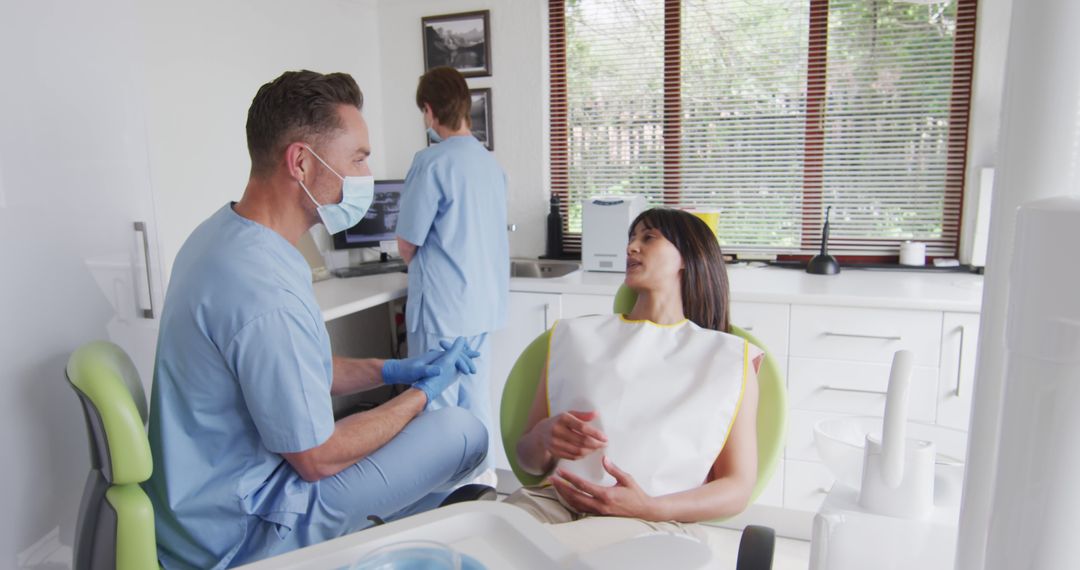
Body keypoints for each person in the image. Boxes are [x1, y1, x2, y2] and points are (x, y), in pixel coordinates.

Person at [145, 70, 489, 569]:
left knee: (418, 437)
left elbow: (298, 374)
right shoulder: (264, 291)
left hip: (196, 503)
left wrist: (392, 371)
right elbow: (317, 457)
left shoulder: (221, 237)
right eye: (359, 158)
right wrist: (422, 396)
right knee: (463, 433)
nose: (366, 174)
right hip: (243, 527)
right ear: (302, 162)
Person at [505, 208, 763, 552]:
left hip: (654, 523)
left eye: (648, 238)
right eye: (631, 238)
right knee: (481, 541)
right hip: (554, 503)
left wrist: (651, 508)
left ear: (687, 257)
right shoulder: (574, 336)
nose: (631, 248)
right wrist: (542, 438)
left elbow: (737, 487)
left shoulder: (729, 358)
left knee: (528, 554)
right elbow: (528, 460)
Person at [395, 66, 509, 485]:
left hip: (444, 307)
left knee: (437, 405)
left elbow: (408, 241)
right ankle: (480, 483)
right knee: (475, 400)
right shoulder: (489, 165)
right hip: (483, 306)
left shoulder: (431, 162)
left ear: (429, 111)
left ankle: (439, 496)